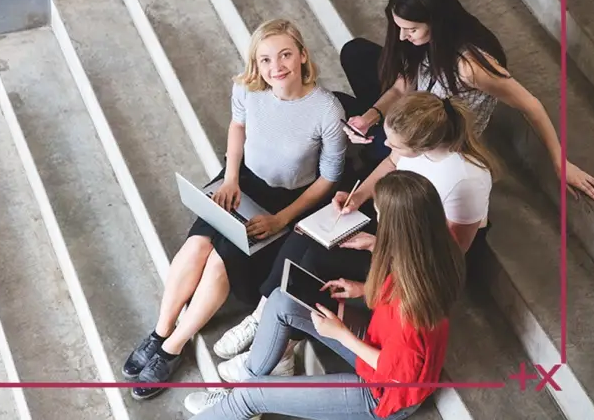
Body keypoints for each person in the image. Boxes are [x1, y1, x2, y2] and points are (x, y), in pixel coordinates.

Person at [122, 19, 346, 399]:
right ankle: (159, 331)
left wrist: (281, 219)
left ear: (303, 55)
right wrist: (229, 177)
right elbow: (237, 128)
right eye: (265, 59)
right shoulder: (247, 88)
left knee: (218, 261)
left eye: (285, 55)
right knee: (197, 244)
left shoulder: (326, 109)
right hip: (241, 182)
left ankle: (173, 346)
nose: (276, 67)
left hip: (286, 203)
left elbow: (329, 179)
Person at [213, 91, 497, 365]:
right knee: (304, 234)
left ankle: (282, 347)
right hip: (394, 226)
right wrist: (358, 196)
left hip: (416, 258)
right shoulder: (414, 146)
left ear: (422, 145)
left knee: (316, 260)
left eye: (396, 145)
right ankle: (261, 315)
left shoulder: (466, 180)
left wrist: (377, 245)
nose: (389, 147)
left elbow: (447, 255)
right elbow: (391, 162)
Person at [183, 170, 466, 420]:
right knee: (282, 300)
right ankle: (244, 393)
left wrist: (340, 334)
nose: (376, 220)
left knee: (251, 395)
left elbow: (398, 373)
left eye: (380, 215)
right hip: (380, 341)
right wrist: (362, 286)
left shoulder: (410, 310)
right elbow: (400, 285)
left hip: (383, 392)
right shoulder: (435, 252)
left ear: (398, 228)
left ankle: (239, 401)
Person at [337, 0, 594, 202]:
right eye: (399, 27)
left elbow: (531, 105)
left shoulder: (470, 67)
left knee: (377, 152)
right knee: (355, 52)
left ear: (436, 22)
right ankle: (374, 138)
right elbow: (400, 87)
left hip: (437, 134)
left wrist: (560, 162)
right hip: (418, 106)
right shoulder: (423, 44)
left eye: (411, 29)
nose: (402, 36)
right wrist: (370, 117)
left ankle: (374, 148)